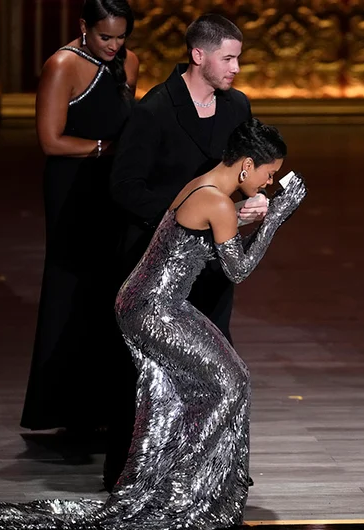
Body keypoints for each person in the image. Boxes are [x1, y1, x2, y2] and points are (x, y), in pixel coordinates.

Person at [0, 119, 306, 530]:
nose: (271, 183)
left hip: (152, 302)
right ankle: (186, 490)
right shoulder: (217, 202)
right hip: (152, 308)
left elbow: (200, 238)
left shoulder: (206, 188)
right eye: (270, 174)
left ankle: (188, 484)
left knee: (209, 385)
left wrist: (242, 216)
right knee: (230, 382)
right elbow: (237, 270)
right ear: (246, 165)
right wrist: (276, 218)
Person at [105, 13, 266, 490]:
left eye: (238, 58)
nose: (236, 67)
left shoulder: (237, 107)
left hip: (212, 261)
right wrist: (187, 215)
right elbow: (125, 187)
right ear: (199, 55)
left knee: (219, 364)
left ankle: (214, 472)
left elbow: (245, 169)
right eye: (229, 58)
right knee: (148, 372)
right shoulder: (154, 109)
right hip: (159, 263)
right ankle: (133, 474)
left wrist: (253, 202)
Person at [20, 0, 138, 434]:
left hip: (113, 189)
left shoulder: (130, 62)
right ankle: (60, 407)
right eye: (105, 36)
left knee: (112, 286)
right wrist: (106, 149)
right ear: (84, 26)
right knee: (71, 284)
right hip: (73, 189)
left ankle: (104, 405)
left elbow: (128, 124)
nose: (114, 45)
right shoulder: (62, 65)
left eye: (121, 36)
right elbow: (50, 141)